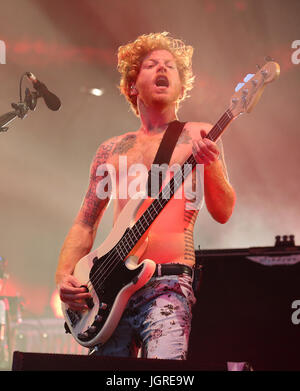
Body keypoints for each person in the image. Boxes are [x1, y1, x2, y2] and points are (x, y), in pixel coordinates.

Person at [55, 32, 236, 360]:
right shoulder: (110, 149)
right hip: (108, 286)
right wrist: (64, 278)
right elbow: (85, 224)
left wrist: (212, 167)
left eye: (170, 66)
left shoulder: (199, 134)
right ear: (132, 85)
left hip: (169, 283)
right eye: (151, 65)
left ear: (181, 86)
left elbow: (223, 211)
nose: (162, 69)